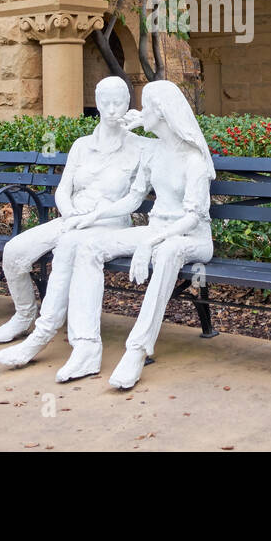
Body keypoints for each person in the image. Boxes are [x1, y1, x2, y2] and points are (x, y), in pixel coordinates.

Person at [58, 80, 215, 388]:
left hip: (191, 238)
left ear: (161, 113)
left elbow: (193, 217)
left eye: (146, 108)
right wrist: (96, 215)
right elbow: (133, 199)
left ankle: (137, 350)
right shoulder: (154, 152)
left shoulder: (194, 160)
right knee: (89, 246)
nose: (139, 112)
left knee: (169, 252)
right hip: (156, 230)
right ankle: (86, 347)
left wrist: (150, 243)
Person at [0, 76, 147, 346]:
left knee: (68, 247)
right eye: (106, 102)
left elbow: (135, 199)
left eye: (118, 103)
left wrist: (93, 217)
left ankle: (52, 330)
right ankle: (24, 314)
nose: (112, 109)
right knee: (15, 250)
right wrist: (70, 212)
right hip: (72, 218)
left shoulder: (140, 147)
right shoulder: (81, 145)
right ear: (96, 103)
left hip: (109, 224)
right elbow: (62, 190)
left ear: (128, 104)